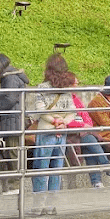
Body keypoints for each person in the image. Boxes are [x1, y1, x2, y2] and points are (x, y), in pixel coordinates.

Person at [30, 54, 78, 193]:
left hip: (46, 130)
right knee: (57, 168)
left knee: (41, 167)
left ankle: (40, 198)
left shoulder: (42, 87)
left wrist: (53, 121)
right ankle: (53, 197)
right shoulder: (66, 88)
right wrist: (64, 122)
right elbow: (72, 111)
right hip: (62, 131)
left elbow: (40, 109)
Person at [0, 53, 29, 190]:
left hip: (13, 120)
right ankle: (16, 184)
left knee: (13, 152)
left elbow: (10, 99)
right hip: (15, 118)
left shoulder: (10, 78)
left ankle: (16, 185)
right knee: (14, 151)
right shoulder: (12, 76)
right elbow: (11, 95)